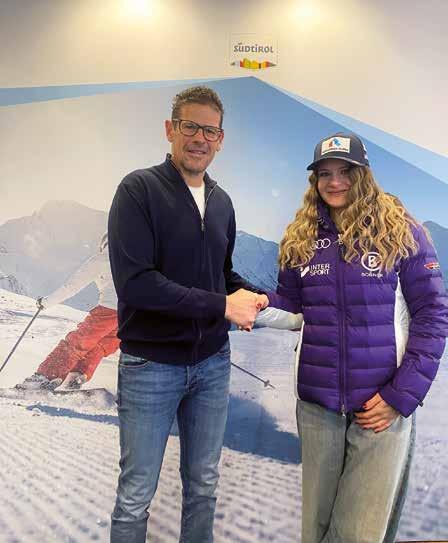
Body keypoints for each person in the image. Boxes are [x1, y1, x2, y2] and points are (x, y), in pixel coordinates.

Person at [257, 132, 448, 543]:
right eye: (324, 173)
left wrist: (400, 396)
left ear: (363, 174)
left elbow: (433, 315)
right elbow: (294, 307)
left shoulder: (401, 231)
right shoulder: (302, 237)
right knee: (317, 531)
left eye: (345, 171)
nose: (335, 182)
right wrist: (254, 304)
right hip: (318, 409)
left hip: (379, 409)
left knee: (357, 534)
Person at [107, 86, 265, 543]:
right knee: (135, 495)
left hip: (212, 364)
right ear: (170, 129)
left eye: (209, 131)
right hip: (151, 365)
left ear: (221, 139)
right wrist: (223, 305)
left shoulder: (222, 202)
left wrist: (257, 297)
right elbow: (136, 284)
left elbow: (221, 275)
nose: (199, 138)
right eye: (190, 126)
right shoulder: (138, 189)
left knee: (204, 486)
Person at [17, 233, 119, 391]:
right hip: (132, 314)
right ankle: (75, 378)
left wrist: (46, 302)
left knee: (76, 342)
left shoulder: (103, 258)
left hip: (109, 310)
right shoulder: (136, 260)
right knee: (101, 345)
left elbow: (71, 286)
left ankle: (44, 378)